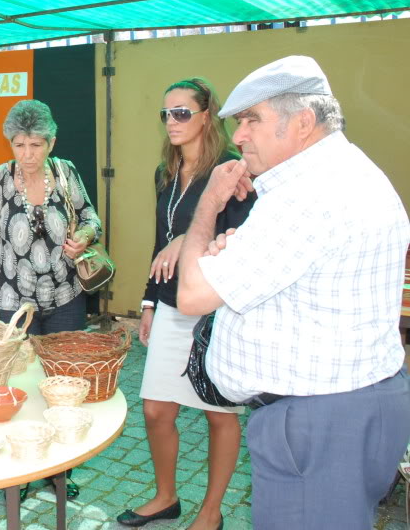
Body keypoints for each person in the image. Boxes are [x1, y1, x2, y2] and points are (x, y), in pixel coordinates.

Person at [176, 56, 410, 530]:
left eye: (251, 120)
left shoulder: (308, 194)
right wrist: (228, 260)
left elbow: (192, 294)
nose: (239, 137)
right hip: (345, 410)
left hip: (317, 425)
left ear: (303, 122)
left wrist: (209, 205)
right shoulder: (345, 172)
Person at [118, 79, 253, 530]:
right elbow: (160, 244)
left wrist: (183, 240)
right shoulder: (166, 172)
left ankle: (210, 514)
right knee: (156, 409)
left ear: (205, 116)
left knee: (220, 414)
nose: (172, 121)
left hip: (217, 307)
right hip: (173, 303)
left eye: (181, 112)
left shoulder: (232, 169)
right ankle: (166, 497)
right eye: (166, 114)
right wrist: (149, 302)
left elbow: (245, 242)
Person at [0, 99, 103, 333]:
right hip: (12, 305)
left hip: (66, 299)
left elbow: (91, 218)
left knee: (64, 369)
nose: (28, 155)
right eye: (19, 145)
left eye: (36, 145)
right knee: (21, 369)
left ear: (51, 143)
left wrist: (84, 235)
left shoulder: (65, 172)